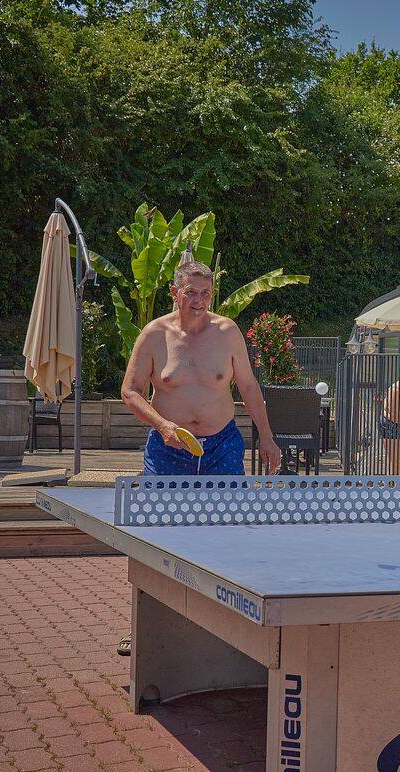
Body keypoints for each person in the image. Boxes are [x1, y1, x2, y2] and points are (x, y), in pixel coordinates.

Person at [116, 252, 282, 655]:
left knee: (227, 532)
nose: (199, 300)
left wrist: (266, 436)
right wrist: (162, 424)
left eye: (206, 293)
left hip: (222, 446)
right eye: (191, 292)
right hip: (168, 450)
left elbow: (248, 387)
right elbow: (130, 391)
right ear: (175, 292)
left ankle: (226, 625)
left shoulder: (227, 332)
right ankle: (144, 627)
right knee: (157, 538)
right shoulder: (154, 335)